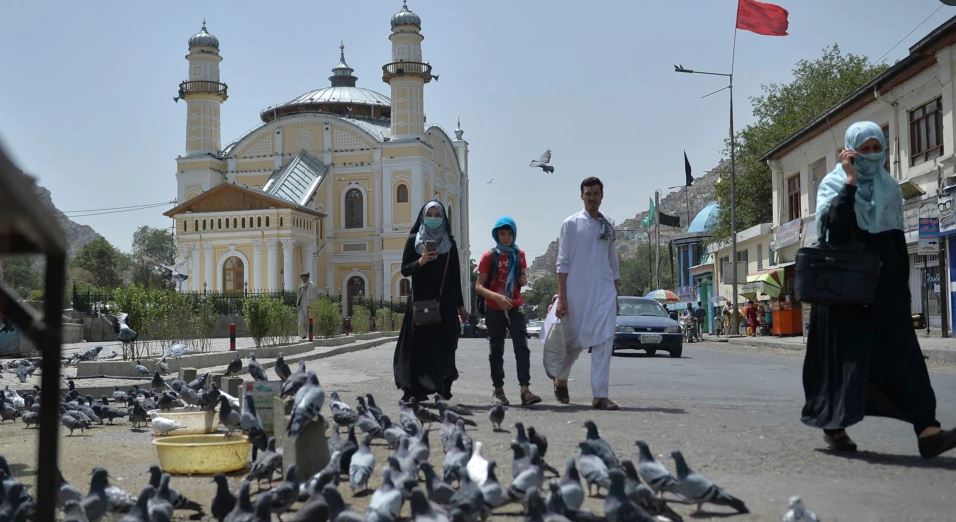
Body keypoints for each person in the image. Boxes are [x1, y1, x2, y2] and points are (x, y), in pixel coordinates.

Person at [802, 121, 956, 459]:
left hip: (886, 292)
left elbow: (896, 242)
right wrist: (850, 182)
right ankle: (834, 425)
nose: (872, 155)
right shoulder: (833, 184)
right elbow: (834, 230)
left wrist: (902, 291)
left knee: (905, 358)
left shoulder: (890, 188)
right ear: (850, 150)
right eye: (864, 148)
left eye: (877, 148)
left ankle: (927, 431)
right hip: (847, 292)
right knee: (844, 361)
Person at [555, 176, 621, 410]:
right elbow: (562, 263)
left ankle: (600, 395)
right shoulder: (571, 224)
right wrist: (562, 297)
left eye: (596, 194)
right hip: (576, 292)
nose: (592, 198)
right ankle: (561, 379)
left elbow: (613, 262)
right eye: (588, 194)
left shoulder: (608, 225)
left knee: (604, 340)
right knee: (572, 341)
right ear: (582, 196)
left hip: (604, 292)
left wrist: (615, 293)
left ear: (602, 196)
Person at [393, 201, 469, 402]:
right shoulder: (413, 241)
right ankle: (415, 390)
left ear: (443, 218)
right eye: (430, 214)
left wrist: (461, 305)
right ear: (423, 216)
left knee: (445, 346)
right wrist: (421, 261)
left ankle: (442, 388)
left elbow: (455, 276)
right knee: (419, 347)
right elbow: (404, 270)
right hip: (420, 303)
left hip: (445, 303)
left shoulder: (449, 244)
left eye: (438, 214)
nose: (434, 218)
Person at [475, 217, 542, 406]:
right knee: (496, 350)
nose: (506, 238)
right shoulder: (489, 257)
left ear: (514, 234)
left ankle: (525, 390)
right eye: (502, 234)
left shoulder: (519, 254)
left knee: (522, 348)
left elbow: (522, 278)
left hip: (515, 306)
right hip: (494, 308)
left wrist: (522, 280)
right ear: (496, 235)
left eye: (509, 233)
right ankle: (498, 390)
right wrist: (496, 297)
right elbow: (479, 286)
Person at [296, 271, 320, 339]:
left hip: (311, 306)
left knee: (312, 322)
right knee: (301, 322)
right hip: (302, 307)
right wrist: (297, 305)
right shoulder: (300, 287)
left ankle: (311, 334)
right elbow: (298, 298)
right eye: (302, 277)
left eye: (305, 277)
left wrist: (316, 306)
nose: (303, 279)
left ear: (307, 277)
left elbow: (316, 296)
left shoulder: (312, 286)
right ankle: (303, 335)